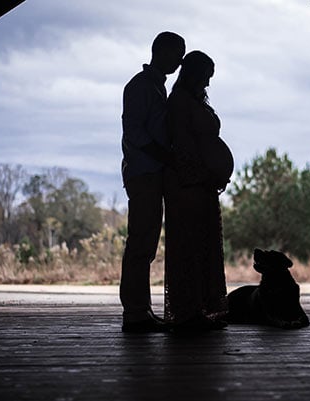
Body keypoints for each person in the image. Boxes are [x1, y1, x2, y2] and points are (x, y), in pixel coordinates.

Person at [119, 32, 186, 333]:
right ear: (161, 51)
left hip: (152, 172)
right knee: (140, 243)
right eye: (177, 53)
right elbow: (135, 132)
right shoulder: (140, 87)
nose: (180, 60)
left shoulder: (156, 87)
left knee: (146, 244)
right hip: (143, 172)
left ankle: (140, 310)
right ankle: (134, 312)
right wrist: (165, 155)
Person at [164, 50, 233, 332]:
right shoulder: (180, 102)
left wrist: (216, 173)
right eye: (205, 77)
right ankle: (187, 312)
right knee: (189, 246)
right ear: (193, 73)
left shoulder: (193, 100)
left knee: (204, 245)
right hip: (189, 184)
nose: (207, 84)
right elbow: (181, 145)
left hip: (204, 184)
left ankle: (202, 308)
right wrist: (201, 174)